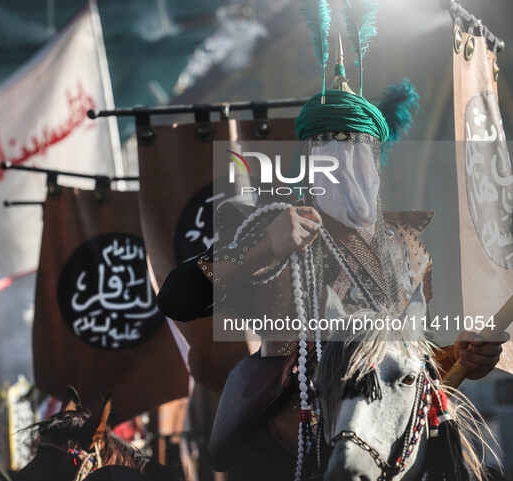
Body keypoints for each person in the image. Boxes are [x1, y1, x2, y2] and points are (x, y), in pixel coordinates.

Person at [157, 34, 508, 481]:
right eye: (326, 148)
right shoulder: (271, 224)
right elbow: (175, 299)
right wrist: (266, 248)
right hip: (283, 445)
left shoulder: (408, 251)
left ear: (378, 161)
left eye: (358, 149)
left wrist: (459, 357)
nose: (343, 162)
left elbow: (403, 366)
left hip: (385, 447)